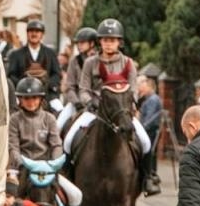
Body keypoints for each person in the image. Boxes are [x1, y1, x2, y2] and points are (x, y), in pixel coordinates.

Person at [63, 21, 155, 192]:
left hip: (120, 110)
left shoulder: (128, 63)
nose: (108, 43)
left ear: (119, 42)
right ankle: (67, 174)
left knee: (145, 141)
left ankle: (148, 178)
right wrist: (89, 102)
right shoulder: (91, 62)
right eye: (105, 40)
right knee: (68, 140)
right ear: (100, 42)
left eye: (112, 40)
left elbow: (133, 89)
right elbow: (83, 88)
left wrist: (128, 105)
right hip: (95, 110)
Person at [8, 76, 85, 206]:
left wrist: (54, 162)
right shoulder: (15, 119)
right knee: (3, 199)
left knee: (76, 195)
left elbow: (56, 144)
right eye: (26, 98)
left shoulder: (49, 118)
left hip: (48, 169)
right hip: (23, 168)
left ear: (41, 99)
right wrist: (23, 162)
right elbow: (13, 146)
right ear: (20, 99)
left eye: (34, 98)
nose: (31, 102)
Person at [5, 18, 62, 98]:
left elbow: (57, 74)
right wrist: (24, 85)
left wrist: (45, 84)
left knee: (58, 108)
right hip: (23, 96)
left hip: (48, 95)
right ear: (27, 33)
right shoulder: (15, 54)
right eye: (31, 31)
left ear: (42, 34)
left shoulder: (51, 53)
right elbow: (11, 76)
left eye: (37, 31)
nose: (34, 34)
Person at [55, 27, 99, 129]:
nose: (79, 45)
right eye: (78, 43)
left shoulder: (100, 60)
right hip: (78, 104)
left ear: (92, 43)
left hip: (98, 104)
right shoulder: (74, 62)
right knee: (58, 126)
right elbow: (69, 87)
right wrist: (76, 102)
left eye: (82, 43)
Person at [136, 75, 164, 195]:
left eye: (142, 86)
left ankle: (149, 177)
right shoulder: (148, 99)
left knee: (149, 152)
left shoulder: (153, 99)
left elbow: (150, 119)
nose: (140, 88)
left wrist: (141, 128)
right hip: (146, 130)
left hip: (150, 132)